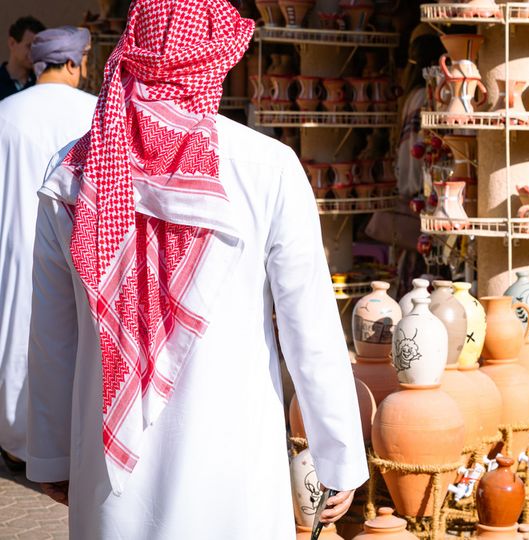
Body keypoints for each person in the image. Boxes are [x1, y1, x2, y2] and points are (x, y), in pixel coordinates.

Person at [26, 1, 367, 538]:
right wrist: (340, 454)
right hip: (233, 480)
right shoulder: (267, 167)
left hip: (112, 480)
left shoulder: (74, 171)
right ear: (219, 58)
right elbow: (310, 329)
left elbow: (51, 335)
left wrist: (49, 456)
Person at [0, 26, 96, 474]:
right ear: (74, 63)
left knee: (15, 338)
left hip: (11, 247)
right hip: (75, 251)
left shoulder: (5, 113)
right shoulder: (96, 113)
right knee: (67, 345)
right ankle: (61, 450)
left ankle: (16, 442)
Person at [0, 16, 46, 101]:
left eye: (38, 48)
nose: (35, 52)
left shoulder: (42, 83)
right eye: (29, 46)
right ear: (12, 43)